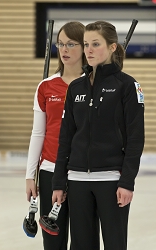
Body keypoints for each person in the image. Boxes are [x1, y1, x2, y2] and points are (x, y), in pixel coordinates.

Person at [52, 20, 145, 250]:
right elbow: (65, 138)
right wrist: (58, 182)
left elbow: (135, 138)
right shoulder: (76, 88)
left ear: (112, 47)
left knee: (114, 244)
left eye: (96, 44)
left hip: (112, 182)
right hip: (77, 181)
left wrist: (127, 182)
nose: (89, 50)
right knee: (81, 245)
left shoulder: (127, 86)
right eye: (86, 44)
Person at [25, 21, 100, 250]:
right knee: (53, 241)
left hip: (83, 173)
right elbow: (38, 133)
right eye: (60, 44)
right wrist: (30, 175)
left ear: (85, 47)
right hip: (49, 170)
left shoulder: (97, 86)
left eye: (71, 44)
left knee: (83, 240)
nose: (64, 49)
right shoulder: (46, 87)